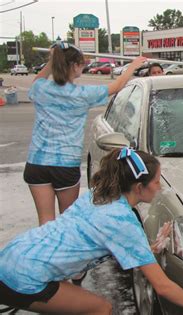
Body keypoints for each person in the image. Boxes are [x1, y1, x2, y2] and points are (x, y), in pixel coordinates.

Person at [0, 148, 183, 315]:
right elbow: (163, 287)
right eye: (157, 181)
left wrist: (148, 249)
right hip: (23, 277)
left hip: (15, 255)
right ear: (139, 187)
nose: (159, 187)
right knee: (101, 308)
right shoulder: (122, 221)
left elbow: (111, 242)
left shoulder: (98, 194)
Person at [24, 40, 147, 225]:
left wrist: (52, 60)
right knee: (67, 221)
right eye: (81, 63)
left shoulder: (41, 88)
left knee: (45, 221)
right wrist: (134, 65)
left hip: (36, 163)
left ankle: (48, 253)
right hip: (64, 164)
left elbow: (37, 80)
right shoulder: (82, 93)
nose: (84, 66)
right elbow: (118, 86)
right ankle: (66, 254)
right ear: (73, 66)